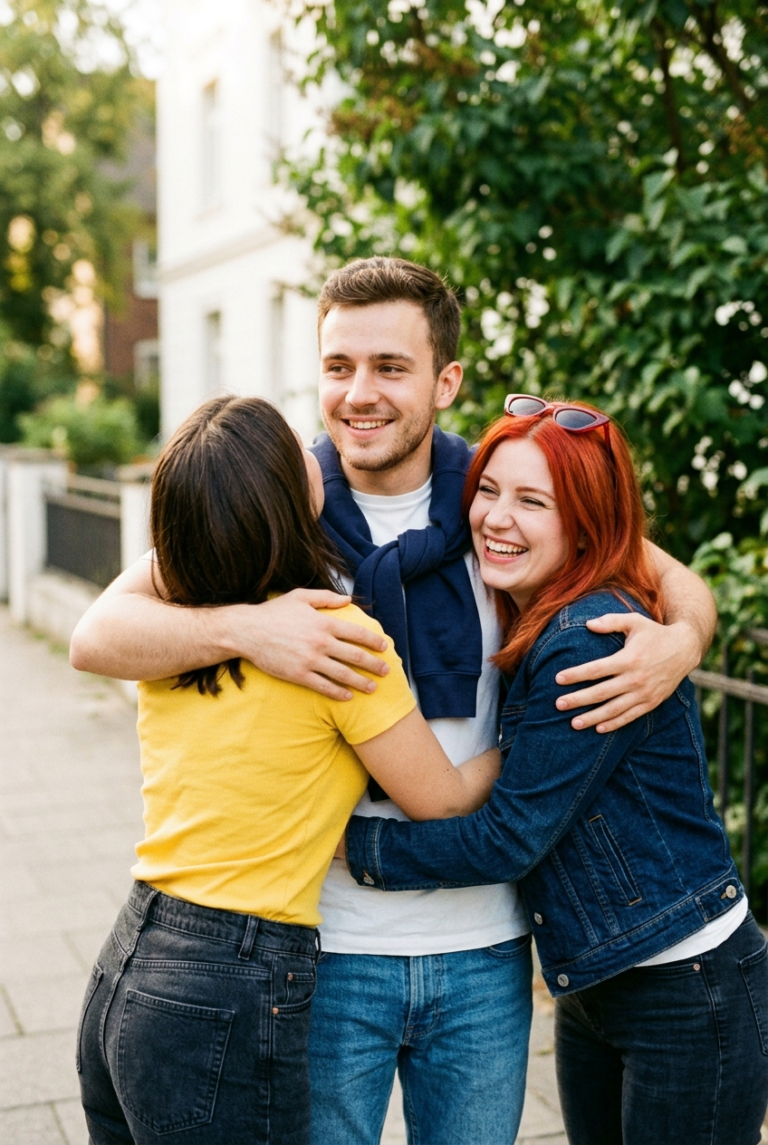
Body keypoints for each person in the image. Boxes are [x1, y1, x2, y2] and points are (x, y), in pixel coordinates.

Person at [70, 258, 718, 1145]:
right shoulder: (278, 504)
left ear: (446, 381)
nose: (359, 394)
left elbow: (667, 577)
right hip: (328, 952)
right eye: (338, 366)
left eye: (390, 367)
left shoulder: (499, 500)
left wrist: (682, 642)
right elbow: (98, 633)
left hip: (484, 944)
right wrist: (248, 628)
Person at [76, 394, 503, 1145]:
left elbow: (104, 626)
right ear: (283, 497)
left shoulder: (175, 625)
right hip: (230, 980)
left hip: (129, 964)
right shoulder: (335, 639)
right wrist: (528, 734)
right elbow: (442, 798)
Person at [341, 395, 768, 1145]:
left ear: (584, 524)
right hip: (602, 980)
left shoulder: (587, 637)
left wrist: (351, 846)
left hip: (686, 984)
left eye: (533, 502)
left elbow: (507, 839)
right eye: (489, 491)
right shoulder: (538, 607)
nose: (497, 518)